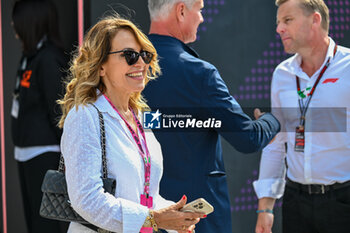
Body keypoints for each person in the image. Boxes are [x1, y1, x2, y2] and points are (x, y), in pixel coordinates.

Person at [58, 15, 205, 233]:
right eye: (129, 55)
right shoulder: (84, 116)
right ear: (100, 66)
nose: (141, 63)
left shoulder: (140, 116)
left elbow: (144, 196)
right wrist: (154, 219)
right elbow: (86, 200)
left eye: (145, 55)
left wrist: (174, 217)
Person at [143, 1, 281, 232]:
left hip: (143, 216)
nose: (202, 18)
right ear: (181, 11)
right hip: (193, 220)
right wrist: (273, 121)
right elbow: (247, 138)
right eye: (200, 9)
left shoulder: (126, 68)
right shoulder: (199, 73)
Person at [253, 0, 350, 233]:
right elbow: (276, 145)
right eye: (278, 23)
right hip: (296, 201)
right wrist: (265, 208)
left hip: (343, 202)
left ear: (315, 20)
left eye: (287, 20)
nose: (278, 29)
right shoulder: (282, 74)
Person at [10, 0, 69, 232]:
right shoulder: (29, 56)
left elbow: (59, 113)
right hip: (26, 154)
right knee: (35, 224)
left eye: (17, 18)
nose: (13, 24)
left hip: (45, 156)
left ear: (30, 21)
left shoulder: (49, 58)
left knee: (46, 225)